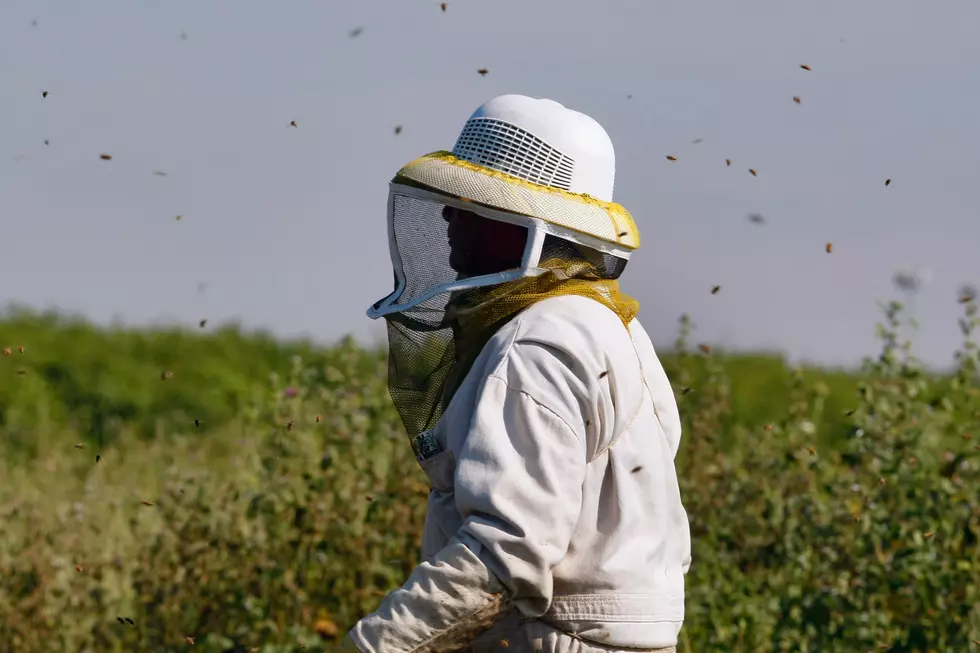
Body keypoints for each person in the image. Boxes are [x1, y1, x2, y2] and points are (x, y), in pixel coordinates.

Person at [345, 94, 691, 653]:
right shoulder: (613, 328)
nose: (450, 218)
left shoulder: (538, 339)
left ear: (524, 228)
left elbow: (507, 551)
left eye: (474, 205)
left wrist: (378, 646)